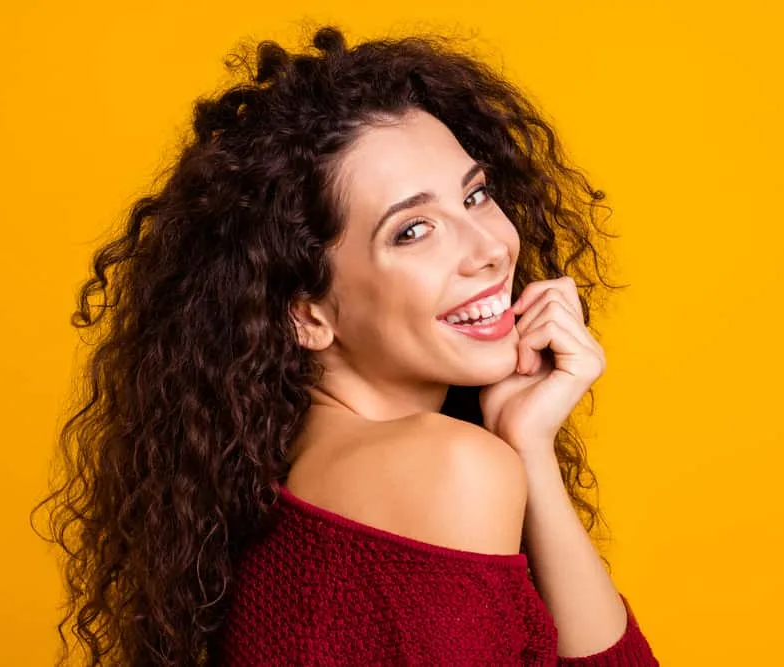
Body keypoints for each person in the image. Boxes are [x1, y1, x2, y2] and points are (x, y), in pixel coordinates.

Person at [33, 24, 659, 666]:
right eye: (413, 230)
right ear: (306, 315)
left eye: (475, 195)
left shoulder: (275, 483)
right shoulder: (450, 470)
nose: (490, 249)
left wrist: (528, 446)